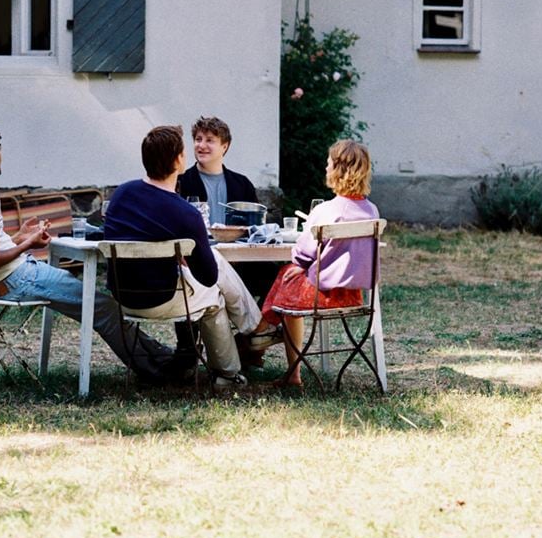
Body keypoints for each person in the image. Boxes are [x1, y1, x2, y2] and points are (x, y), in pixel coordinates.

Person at [0, 121, 183, 385]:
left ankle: (165, 358)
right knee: (103, 307)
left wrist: (19, 237)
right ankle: (159, 372)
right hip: (14, 280)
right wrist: (30, 243)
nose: (1, 155)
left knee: (102, 306)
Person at [103, 125, 269, 390]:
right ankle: (231, 370)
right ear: (178, 160)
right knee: (214, 295)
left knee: (211, 268)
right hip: (163, 297)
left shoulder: (121, 194)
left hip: (123, 296)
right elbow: (208, 276)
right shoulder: (185, 212)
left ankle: (254, 330)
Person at [253, 139, 380, 388]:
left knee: (287, 275)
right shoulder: (372, 211)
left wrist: (300, 263)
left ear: (338, 169)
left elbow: (303, 250)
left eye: (328, 163)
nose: (325, 168)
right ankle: (260, 333)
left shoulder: (327, 210)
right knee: (288, 277)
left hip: (323, 295)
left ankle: (260, 335)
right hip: (355, 295)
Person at [177, 115, 280, 364]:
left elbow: (257, 228)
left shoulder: (241, 183)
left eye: (210, 140)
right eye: (198, 139)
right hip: (200, 262)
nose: (201, 145)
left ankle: (250, 345)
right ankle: (188, 349)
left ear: (225, 146)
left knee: (276, 276)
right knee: (183, 278)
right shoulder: (183, 181)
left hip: (241, 261)